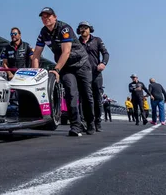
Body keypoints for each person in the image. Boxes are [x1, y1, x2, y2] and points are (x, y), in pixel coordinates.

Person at [31, 7, 95, 136]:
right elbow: (36, 55)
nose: (46, 19)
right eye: (43, 17)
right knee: (71, 94)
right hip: (66, 67)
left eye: (48, 16)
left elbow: (66, 52)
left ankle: (90, 122)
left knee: (86, 95)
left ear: (55, 17)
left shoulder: (64, 28)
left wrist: (56, 69)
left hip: (81, 63)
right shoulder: (43, 32)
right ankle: (76, 126)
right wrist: (35, 73)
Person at [77, 21, 110, 132]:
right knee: (85, 98)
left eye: (85, 28)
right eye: (81, 28)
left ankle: (97, 121)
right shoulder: (77, 42)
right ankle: (87, 122)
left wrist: (103, 64)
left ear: (90, 29)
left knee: (97, 98)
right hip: (82, 74)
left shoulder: (97, 40)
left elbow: (105, 53)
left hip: (96, 73)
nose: (83, 30)